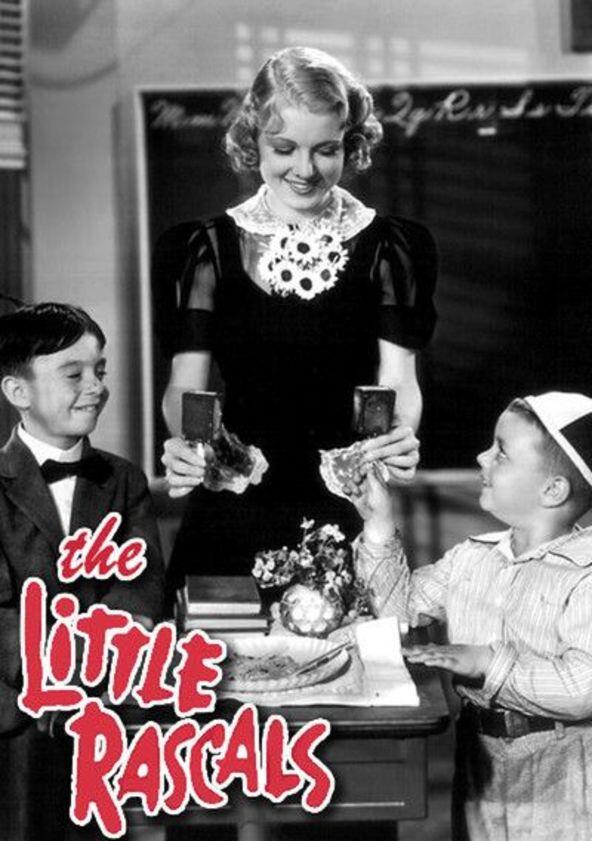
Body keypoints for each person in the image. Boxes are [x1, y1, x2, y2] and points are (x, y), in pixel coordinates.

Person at [155, 46, 437, 599]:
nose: (304, 170)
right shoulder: (203, 248)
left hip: (348, 501)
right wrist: (188, 444)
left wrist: (398, 438)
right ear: (252, 141)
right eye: (284, 149)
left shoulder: (390, 247)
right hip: (233, 500)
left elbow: (399, 380)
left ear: (350, 144)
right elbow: (185, 388)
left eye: (325, 150)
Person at [354, 391, 592, 841]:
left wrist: (488, 663)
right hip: (480, 762)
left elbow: (584, 686)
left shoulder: (584, 574)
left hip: (563, 772)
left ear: (553, 490)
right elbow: (392, 613)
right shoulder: (471, 558)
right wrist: (379, 522)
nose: (482, 457)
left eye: (501, 452)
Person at [0, 302, 165, 841]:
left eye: (100, 371)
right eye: (74, 375)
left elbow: (138, 591)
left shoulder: (124, 480)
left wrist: (93, 674)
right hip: (14, 713)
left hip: (102, 707)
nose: (96, 386)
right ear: (18, 391)